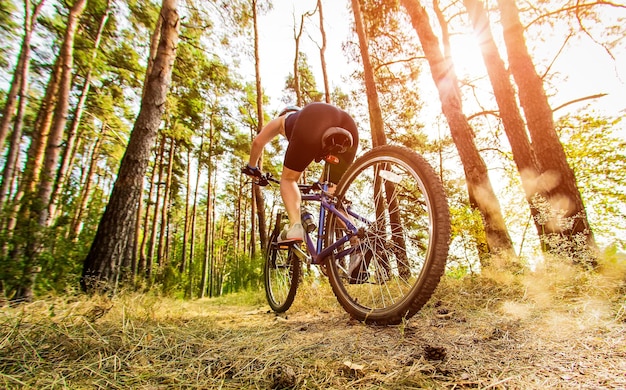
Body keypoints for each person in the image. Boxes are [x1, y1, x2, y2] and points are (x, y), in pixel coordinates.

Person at [242, 102, 359, 243]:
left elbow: (257, 143)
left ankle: (295, 227)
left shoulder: (283, 119)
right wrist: (319, 184)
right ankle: (358, 240)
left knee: (289, 179)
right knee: (332, 195)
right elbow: (325, 180)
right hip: (350, 126)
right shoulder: (307, 118)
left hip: (314, 116)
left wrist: (252, 167)